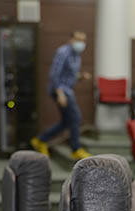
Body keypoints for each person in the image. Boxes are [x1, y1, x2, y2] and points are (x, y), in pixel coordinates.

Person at [30, 31, 92, 160]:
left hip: (67, 89)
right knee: (76, 117)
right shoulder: (63, 52)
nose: (81, 43)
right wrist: (60, 93)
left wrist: (81, 76)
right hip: (60, 90)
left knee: (66, 121)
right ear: (71, 39)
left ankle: (40, 140)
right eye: (78, 39)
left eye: (83, 40)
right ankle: (76, 149)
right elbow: (54, 74)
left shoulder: (77, 55)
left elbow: (69, 74)